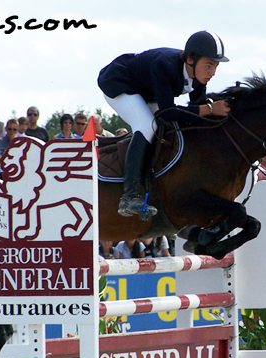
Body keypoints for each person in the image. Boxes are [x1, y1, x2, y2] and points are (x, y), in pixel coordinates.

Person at [98, 30, 231, 218]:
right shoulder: (165, 65)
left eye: (215, 67)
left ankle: (151, 188)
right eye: (208, 66)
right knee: (147, 126)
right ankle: (129, 196)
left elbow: (196, 111)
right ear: (191, 59)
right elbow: (168, 112)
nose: (212, 73)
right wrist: (210, 109)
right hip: (120, 83)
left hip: (146, 91)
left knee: (166, 129)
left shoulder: (198, 77)